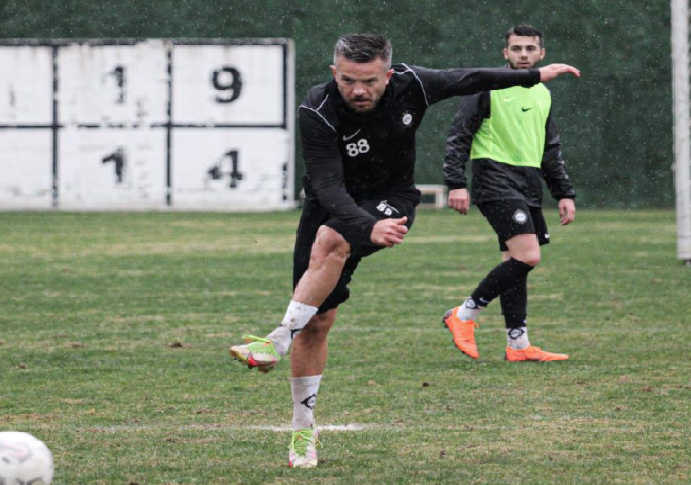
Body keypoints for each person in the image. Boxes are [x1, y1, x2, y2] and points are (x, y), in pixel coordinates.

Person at [229, 33, 580, 468]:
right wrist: (366, 225)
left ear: (388, 74)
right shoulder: (316, 109)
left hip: (392, 198)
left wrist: (531, 76)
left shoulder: (412, 84)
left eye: (370, 81)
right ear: (333, 73)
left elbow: (467, 78)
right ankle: (303, 433)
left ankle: (280, 337)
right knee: (319, 319)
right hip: (334, 204)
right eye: (348, 80)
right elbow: (327, 186)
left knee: (331, 240)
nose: (359, 90)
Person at [442, 25, 577, 362]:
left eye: (530, 49)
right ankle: (462, 315)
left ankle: (518, 345)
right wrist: (456, 182)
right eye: (516, 49)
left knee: (515, 262)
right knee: (528, 256)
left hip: (527, 184)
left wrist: (563, 192)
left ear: (541, 54)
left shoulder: (543, 93)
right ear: (505, 53)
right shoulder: (487, 86)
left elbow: (550, 149)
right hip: (494, 179)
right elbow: (460, 134)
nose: (523, 55)